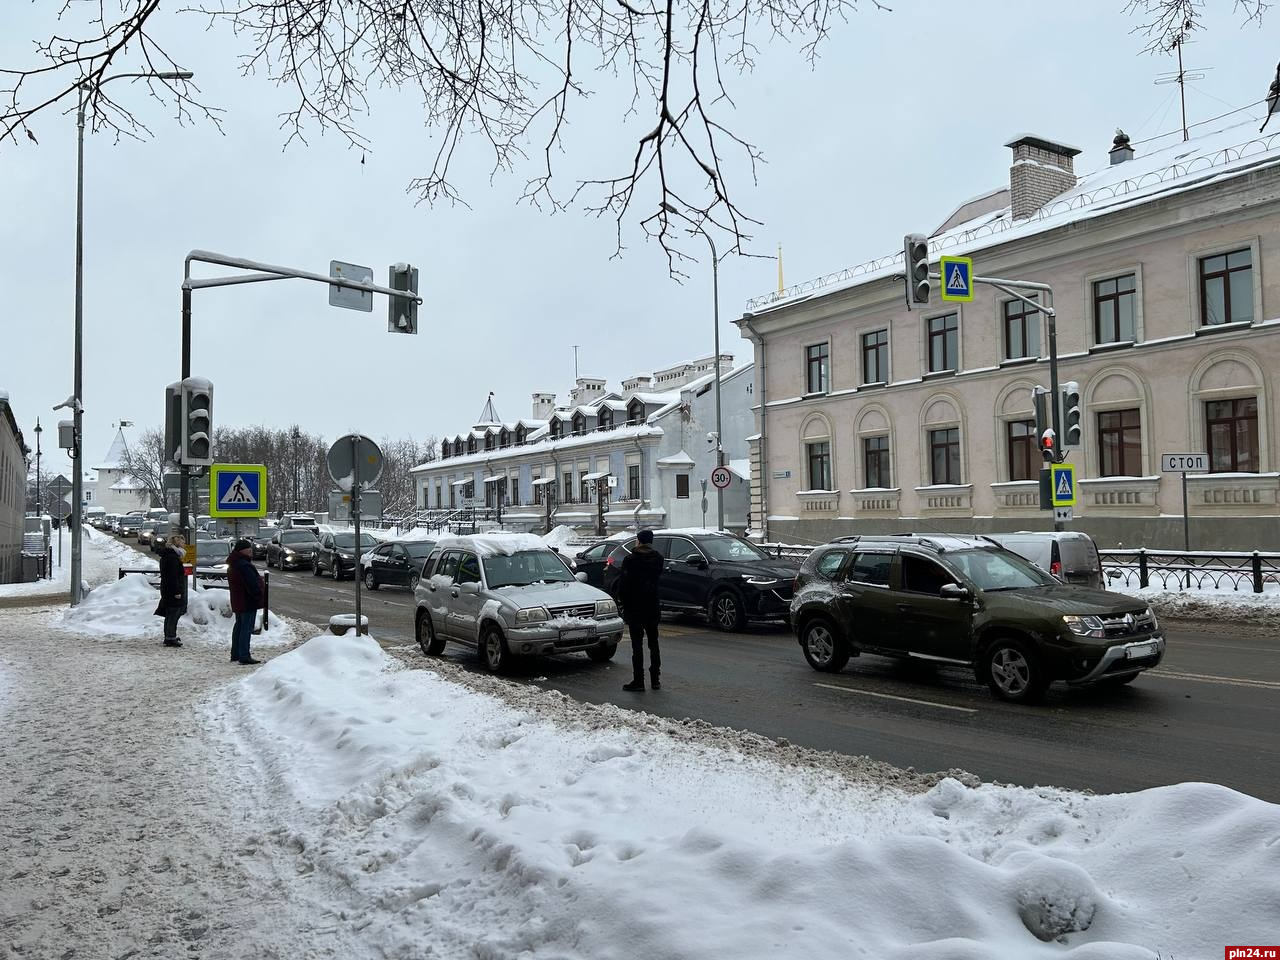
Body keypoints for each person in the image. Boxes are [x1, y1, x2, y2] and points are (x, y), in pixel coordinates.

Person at [617, 528, 664, 692]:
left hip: (635, 607)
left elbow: (624, 585)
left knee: (637, 645)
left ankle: (639, 681)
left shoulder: (630, 560)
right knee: (654, 643)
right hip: (652, 606)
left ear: (639, 541)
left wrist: (622, 603)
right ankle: (655, 679)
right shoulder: (658, 559)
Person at [227, 538, 264, 665]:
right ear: (243, 550)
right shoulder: (244, 565)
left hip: (238, 600)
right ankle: (244, 655)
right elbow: (252, 584)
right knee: (246, 628)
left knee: (239, 626)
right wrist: (258, 595)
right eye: (249, 549)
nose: (251, 551)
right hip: (247, 601)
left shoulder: (234, 563)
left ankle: (236, 653)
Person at [153, 534, 188, 647]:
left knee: (170, 613)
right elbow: (173, 577)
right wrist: (177, 591)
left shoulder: (168, 555)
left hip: (167, 589)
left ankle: (169, 635)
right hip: (172, 590)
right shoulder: (172, 558)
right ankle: (170, 637)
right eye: (182, 543)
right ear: (177, 544)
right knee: (173, 613)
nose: (184, 545)